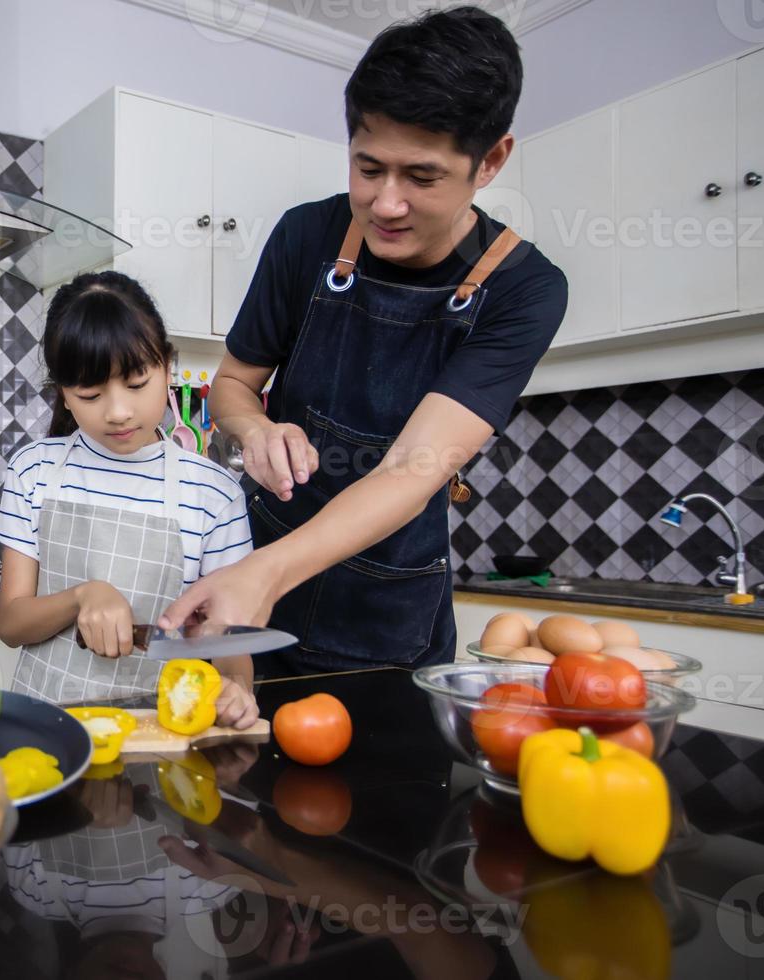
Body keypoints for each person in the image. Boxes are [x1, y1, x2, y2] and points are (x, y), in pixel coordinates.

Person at [160, 7, 567, 674]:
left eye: (422, 176)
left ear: (490, 160)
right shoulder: (305, 237)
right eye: (368, 167)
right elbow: (232, 385)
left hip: (388, 616)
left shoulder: (525, 290)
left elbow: (415, 469)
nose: (385, 202)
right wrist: (256, 430)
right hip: (255, 593)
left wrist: (269, 572)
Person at [0, 271, 259, 726]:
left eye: (137, 383)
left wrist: (236, 691)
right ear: (64, 393)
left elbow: (229, 643)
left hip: (164, 734)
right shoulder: (33, 469)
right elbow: (12, 625)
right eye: (91, 394)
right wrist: (81, 597)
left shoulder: (215, 494)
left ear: (168, 366)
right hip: (48, 726)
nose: (117, 412)